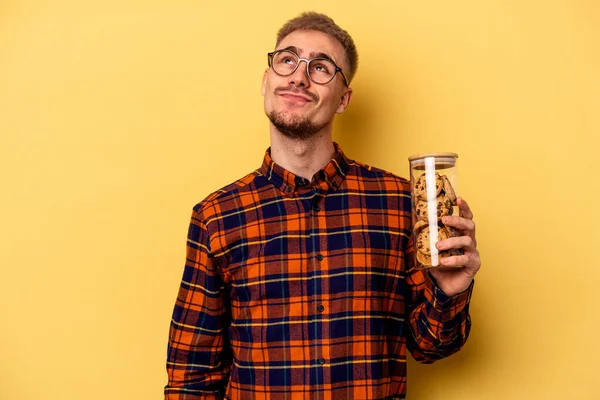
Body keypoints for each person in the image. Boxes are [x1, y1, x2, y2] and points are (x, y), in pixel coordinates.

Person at [165, 11, 481, 400]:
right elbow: (191, 377)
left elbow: (432, 347)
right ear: (267, 81)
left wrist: (449, 292)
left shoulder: (399, 203)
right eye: (287, 60)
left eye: (320, 68)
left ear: (343, 98)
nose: (299, 76)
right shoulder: (216, 217)